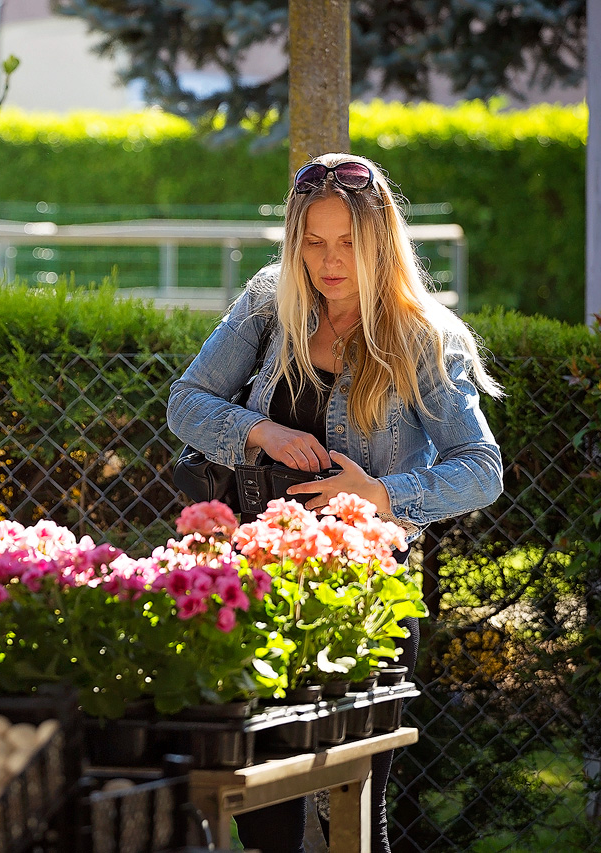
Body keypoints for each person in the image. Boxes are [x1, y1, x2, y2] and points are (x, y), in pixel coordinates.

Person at [167, 153, 503, 853]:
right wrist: (259, 430)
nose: (330, 260)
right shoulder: (268, 301)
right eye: (313, 242)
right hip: (256, 589)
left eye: (349, 241)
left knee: (356, 810)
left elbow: (482, 469)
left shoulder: (423, 337)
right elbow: (187, 402)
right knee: (261, 812)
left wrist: (380, 494)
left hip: (362, 600)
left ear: (382, 239)